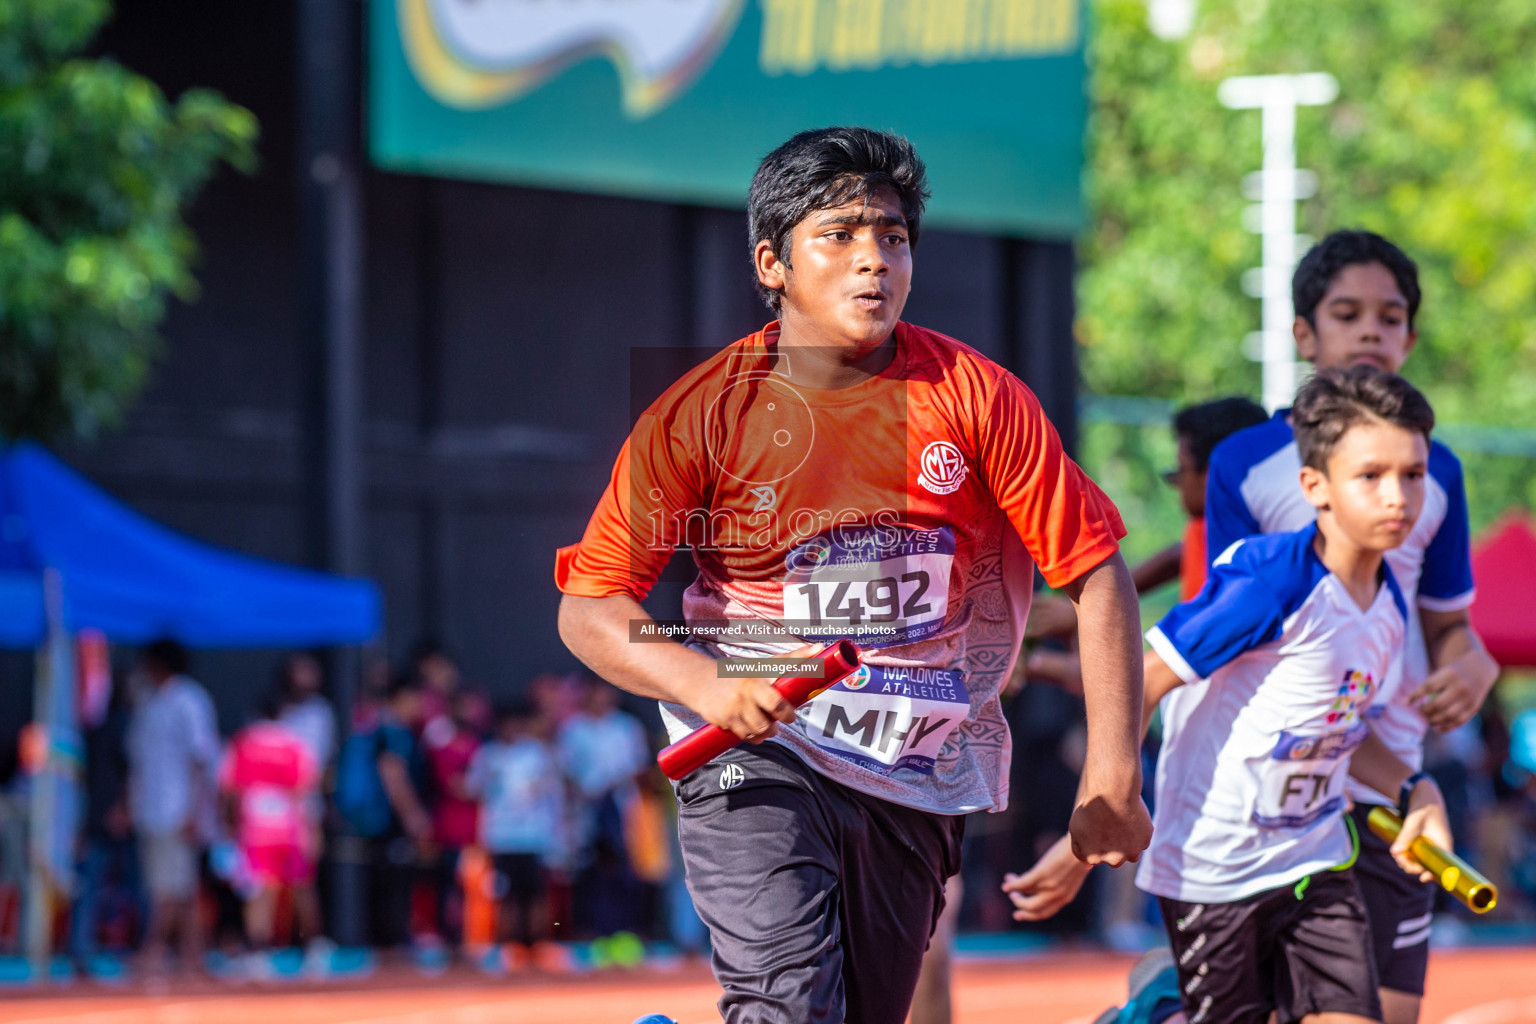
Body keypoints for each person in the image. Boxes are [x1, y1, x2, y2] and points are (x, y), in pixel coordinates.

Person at [555, 126, 1151, 1024]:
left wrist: (1112, 773)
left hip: (912, 770)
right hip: (754, 755)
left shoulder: (978, 397)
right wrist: (707, 683)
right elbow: (589, 606)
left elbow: (1097, 576)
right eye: (839, 235)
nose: (873, 260)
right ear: (773, 263)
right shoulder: (703, 415)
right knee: (790, 1007)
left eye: (893, 236)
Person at [1010, 367, 1456, 1024]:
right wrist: (1097, 817)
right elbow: (1145, 677)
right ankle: (1154, 1010)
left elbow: (1341, 731)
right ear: (1315, 487)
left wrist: (1419, 790)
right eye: (1371, 476)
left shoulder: (1389, 601)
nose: (1398, 497)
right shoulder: (1265, 580)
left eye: (1413, 475)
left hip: (1315, 865)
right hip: (1213, 877)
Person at [1203, 231, 1499, 1024]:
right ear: (1305, 334)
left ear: (1410, 335)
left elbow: (1451, 629)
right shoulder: (1246, 461)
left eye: (1391, 315)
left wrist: (1473, 666)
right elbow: (1226, 627)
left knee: (1386, 1013)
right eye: (1347, 313)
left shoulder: (1438, 470)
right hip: (1271, 782)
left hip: (1390, 778)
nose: (1371, 329)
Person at [125, 638, 219, 975]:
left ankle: (156, 948)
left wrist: (195, 811)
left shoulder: (189, 699)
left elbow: (201, 759)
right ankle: (193, 954)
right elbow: (136, 761)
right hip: (151, 807)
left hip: (177, 808)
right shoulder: (149, 702)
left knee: (170, 885)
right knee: (175, 886)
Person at [218, 694, 320, 968]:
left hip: (255, 831)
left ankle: (258, 950)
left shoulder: (243, 742)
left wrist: (229, 827)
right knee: (301, 887)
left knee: (258, 889)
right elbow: (305, 790)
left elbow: (229, 790)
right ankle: (313, 948)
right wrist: (311, 831)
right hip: (291, 829)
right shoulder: (294, 744)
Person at [465, 699, 564, 963]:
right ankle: (509, 946)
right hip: (501, 837)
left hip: (533, 836)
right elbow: (472, 789)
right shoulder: (488, 755)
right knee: (504, 895)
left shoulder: (536, 754)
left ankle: (539, 943)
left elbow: (551, 792)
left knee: (535, 894)